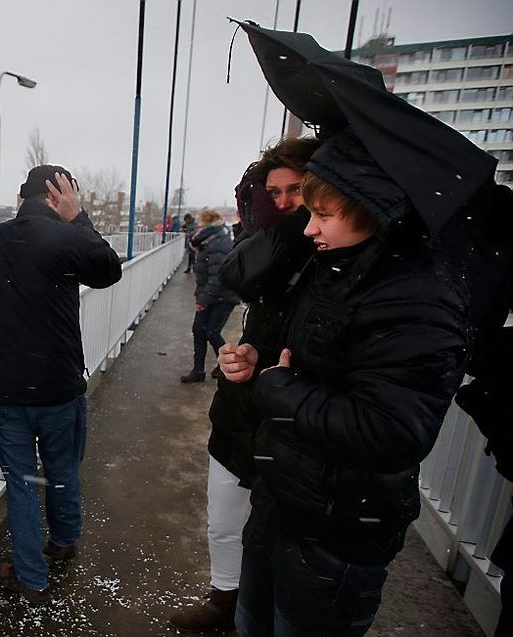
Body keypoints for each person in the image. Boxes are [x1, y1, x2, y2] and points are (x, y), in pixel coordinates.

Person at [226, 131, 467, 636]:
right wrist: (258, 361)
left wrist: (277, 389)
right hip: (283, 504)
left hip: (334, 533)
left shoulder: (417, 299)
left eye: (323, 215)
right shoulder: (333, 269)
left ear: (373, 209)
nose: (308, 228)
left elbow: (391, 432)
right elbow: (311, 361)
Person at [168, 136, 321, 631]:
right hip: (246, 405)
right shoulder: (276, 248)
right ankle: (225, 598)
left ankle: (246, 605)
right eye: (273, 193)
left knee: (276, 535)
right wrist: (246, 354)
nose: (283, 203)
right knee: (225, 518)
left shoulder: (333, 256)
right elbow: (248, 288)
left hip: (298, 419)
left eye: (297, 190)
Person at [0, 164, 122, 605]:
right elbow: (108, 270)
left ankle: (31, 579)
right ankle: (64, 543)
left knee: (22, 483)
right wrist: (78, 218)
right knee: (62, 471)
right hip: (59, 388)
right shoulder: (65, 238)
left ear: (20, 197)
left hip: (4, 393)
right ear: (57, 195)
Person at [180, 209, 239, 384]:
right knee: (199, 330)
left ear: (207, 223)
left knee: (211, 332)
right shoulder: (210, 240)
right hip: (212, 294)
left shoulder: (218, 243)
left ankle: (227, 365)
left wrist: (203, 300)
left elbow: (217, 277)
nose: (198, 225)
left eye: (200, 222)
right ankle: (198, 371)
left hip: (224, 296)